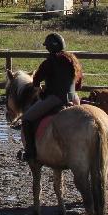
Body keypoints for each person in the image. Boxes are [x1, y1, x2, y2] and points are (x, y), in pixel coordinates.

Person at [19, 32, 83, 162]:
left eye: (47, 47)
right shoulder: (73, 60)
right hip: (73, 98)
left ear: (50, 47)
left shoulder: (49, 62)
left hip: (55, 99)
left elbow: (36, 81)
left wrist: (41, 89)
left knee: (26, 119)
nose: (46, 49)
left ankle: (30, 152)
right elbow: (79, 84)